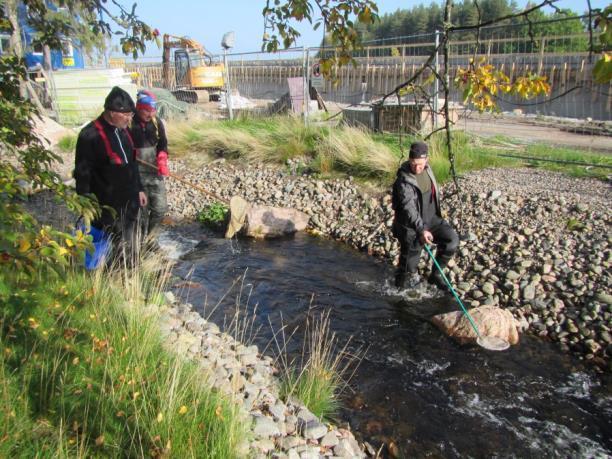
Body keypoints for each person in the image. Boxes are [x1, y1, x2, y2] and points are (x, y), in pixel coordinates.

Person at [74, 86, 147, 263]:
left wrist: (140, 189)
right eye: (127, 114)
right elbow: (82, 173)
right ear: (112, 112)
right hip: (107, 203)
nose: (130, 118)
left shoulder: (123, 131)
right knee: (112, 244)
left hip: (130, 200)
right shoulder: (89, 135)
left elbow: (132, 163)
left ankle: (131, 272)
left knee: (131, 240)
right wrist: (86, 206)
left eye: (131, 114)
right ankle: (112, 278)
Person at [391, 141, 459, 290]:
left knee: (452, 241)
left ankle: (435, 275)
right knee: (408, 267)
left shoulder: (428, 170)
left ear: (426, 160)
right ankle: (397, 292)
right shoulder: (403, 180)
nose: (417, 167)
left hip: (433, 220)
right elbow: (409, 208)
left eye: (420, 164)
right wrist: (421, 230)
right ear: (409, 160)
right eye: (413, 163)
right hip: (411, 227)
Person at [130, 90, 169, 243]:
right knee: (142, 213)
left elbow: (163, 143)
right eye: (147, 110)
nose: (150, 113)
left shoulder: (156, 122)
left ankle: (151, 239)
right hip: (136, 174)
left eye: (153, 110)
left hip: (154, 172)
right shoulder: (129, 124)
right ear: (139, 108)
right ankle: (140, 243)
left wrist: (162, 158)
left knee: (160, 209)